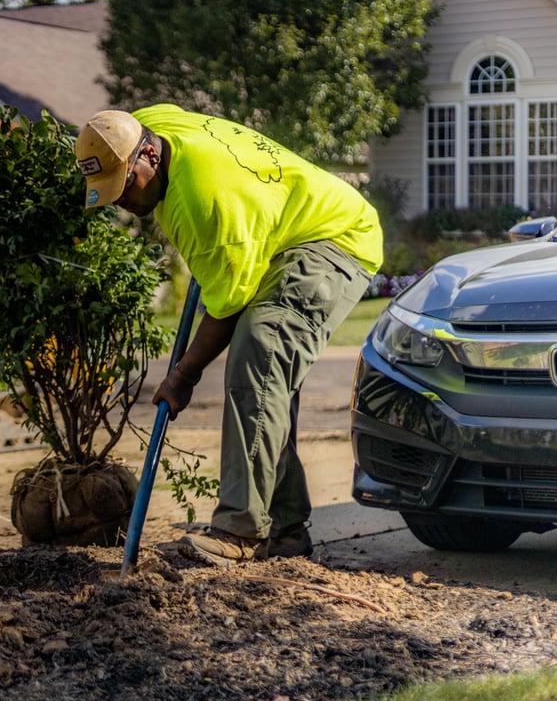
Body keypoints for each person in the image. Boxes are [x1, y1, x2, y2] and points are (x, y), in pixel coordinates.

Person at [76, 105, 382, 566]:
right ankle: (284, 529)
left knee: (261, 348)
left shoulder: (201, 203)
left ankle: (242, 531)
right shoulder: (148, 122)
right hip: (284, 229)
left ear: (149, 157)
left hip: (335, 237)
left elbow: (226, 311)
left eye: (123, 187)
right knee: (266, 379)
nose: (119, 201)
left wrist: (182, 375)